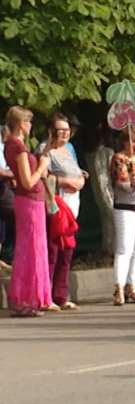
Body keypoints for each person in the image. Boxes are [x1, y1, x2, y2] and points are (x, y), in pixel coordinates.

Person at [4, 106, 52, 317]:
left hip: (31, 202)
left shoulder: (12, 145)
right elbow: (26, 181)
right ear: (22, 124)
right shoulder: (18, 147)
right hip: (29, 201)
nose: (31, 126)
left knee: (34, 249)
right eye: (29, 122)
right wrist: (41, 168)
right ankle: (23, 298)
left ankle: (34, 297)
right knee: (29, 250)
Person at [44, 114, 85, 310]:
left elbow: (75, 172)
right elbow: (44, 178)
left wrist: (81, 178)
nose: (65, 134)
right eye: (61, 130)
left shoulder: (68, 149)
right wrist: (66, 182)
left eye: (67, 130)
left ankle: (61, 294)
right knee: (53, 251)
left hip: (72, 207)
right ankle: (47, 294)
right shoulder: (46, 150)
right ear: (51, 131)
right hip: (56, 206)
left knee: (67, 252)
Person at [110, 127, 135, 306]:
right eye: (133, 141)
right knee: (124, 248)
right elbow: (122, 183)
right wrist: (134, 184)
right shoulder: (120, 158)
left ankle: (133, 285)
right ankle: (119, 286)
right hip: (125, 207)